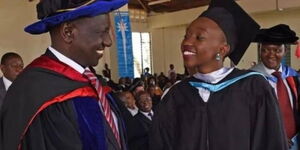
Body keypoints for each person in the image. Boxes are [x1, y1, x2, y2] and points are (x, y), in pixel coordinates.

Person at [149, 0, 288, 150]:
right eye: (186, 36)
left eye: (199, 37)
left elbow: (270, 142)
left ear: (222, 49)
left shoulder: (253, 87)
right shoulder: (175, 96)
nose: (187, 42)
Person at [0, 0, 128, 150]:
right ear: (68, 33)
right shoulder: (33, 91)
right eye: (102, 32)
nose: (108, 42)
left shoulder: (95, 84)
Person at [251, 24, 300, 149]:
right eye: (265, 50)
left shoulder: (294, 76)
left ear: (285, 51)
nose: (271, 55)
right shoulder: (250, 80)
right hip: (267, 143)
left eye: (277, 50)